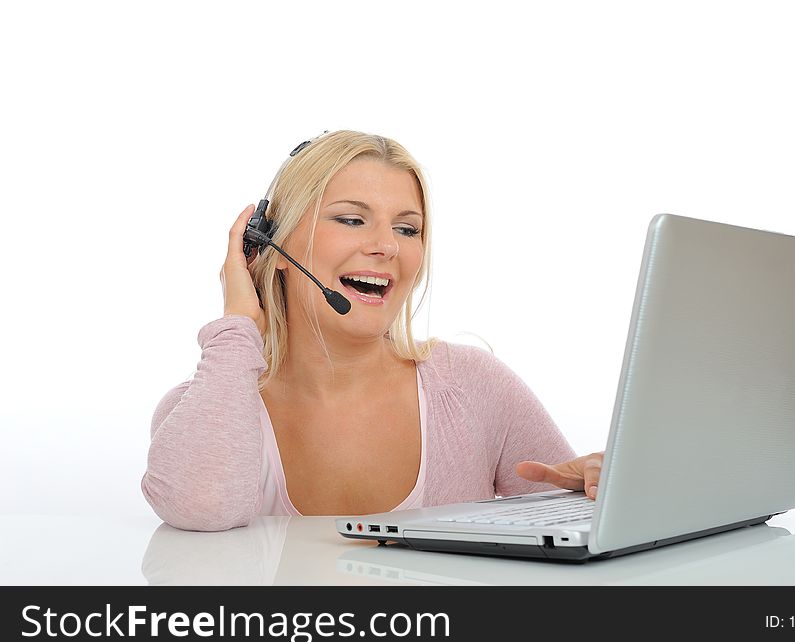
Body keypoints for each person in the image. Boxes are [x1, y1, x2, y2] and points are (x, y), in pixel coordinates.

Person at [142, 130, 604, 531]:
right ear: (272, 245)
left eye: (407, 229)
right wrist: (237, 325)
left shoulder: (474, 387)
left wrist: (595, 488)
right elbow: (200, 507)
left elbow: (571, 521)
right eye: (351, 219)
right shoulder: (205, 404)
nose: (386, 247)